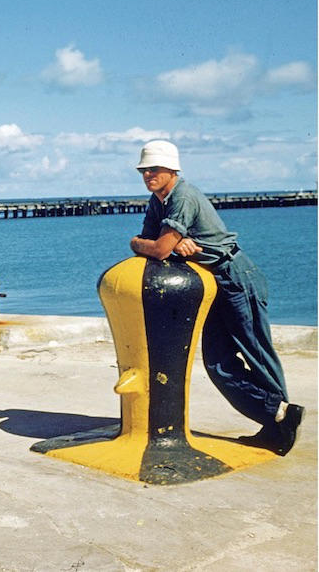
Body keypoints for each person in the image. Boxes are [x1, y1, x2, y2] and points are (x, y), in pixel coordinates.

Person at [128, 140, 303, 456]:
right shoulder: (158, 201)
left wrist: (145, 243)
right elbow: (156, 243)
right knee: (217, 362)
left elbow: (157, 248)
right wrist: (165, 243)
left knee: (257, 354)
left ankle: (278, 426)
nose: (148, 174)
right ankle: (278, 414)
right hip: (213, 283)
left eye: (154, 168)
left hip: (236, 277)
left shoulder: (183, 197)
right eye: (144, 169)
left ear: (172, 168)